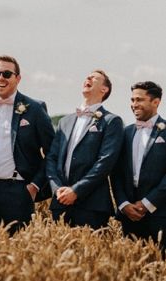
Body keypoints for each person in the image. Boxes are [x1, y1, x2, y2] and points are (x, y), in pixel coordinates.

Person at [0, 55, 55, 231]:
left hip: (18, 191)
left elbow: (53, 152)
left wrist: (34, 186)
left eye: (7, 74)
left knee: (17, 251)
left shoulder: (35, 108)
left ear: (18, 78)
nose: (1, 78)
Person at [46, 69, 124, 229]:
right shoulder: (65, 122)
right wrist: (57, 188)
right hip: (60, 203)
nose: (88, 77)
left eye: (94, 78)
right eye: (87, 76)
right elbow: (51, 158)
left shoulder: (111, 121)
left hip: (91, 204)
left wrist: (76, 191)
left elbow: (105, 162)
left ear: (104, 89)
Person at [112, 81, 166, 250]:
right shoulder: (125, 132)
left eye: (139, 100)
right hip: (128, 216)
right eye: (132, 100)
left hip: (161, 214)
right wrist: (123, 204)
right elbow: (116, 172)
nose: (134, 104)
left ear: (156, 102)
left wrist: (147, 203)